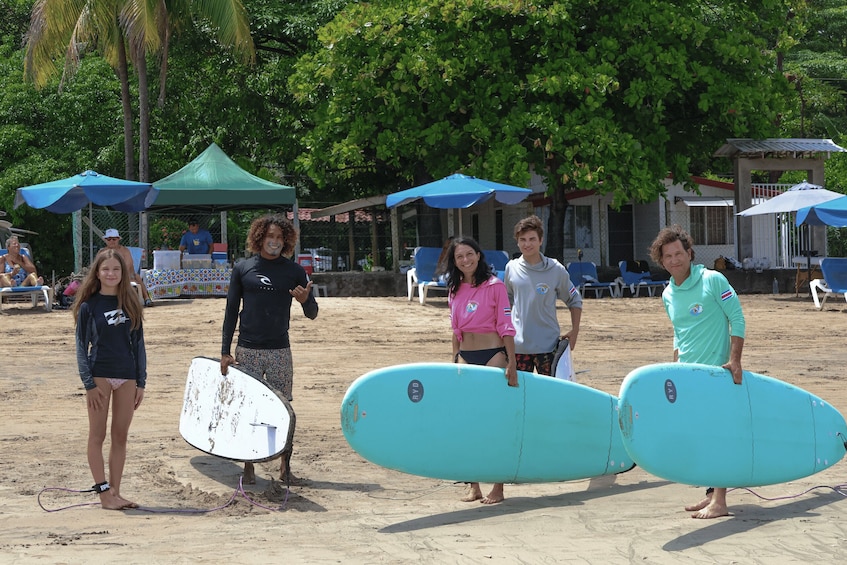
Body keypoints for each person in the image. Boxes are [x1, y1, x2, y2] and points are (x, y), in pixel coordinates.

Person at [649, 224, 745, 519]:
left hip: (716, 374)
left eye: (679, 253)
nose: (675, 259)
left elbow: (737, 319)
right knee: (699, 437)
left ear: (689, 253)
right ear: (662, 261)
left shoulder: (713, 280)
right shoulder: (667, 294)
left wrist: (735, 360)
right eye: (668, 256)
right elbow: (679, 334)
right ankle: (710, 494)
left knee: (718, 435)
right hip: (686, 375)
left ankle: (721, 501)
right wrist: (674, 369)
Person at [221, 213, 319, 484]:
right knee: (248, 407)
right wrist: (224, 351)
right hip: (247, 350)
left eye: (279, 237)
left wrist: (304, 301)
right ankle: (248, 466)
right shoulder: (243, 268)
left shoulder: (294, 272)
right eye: (270, 236)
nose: (274, 241)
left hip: (279, 350)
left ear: (286, 241)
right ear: (259, 237)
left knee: (283, 408)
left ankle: (285, 467)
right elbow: (231, 311)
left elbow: (312, 313)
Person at [72, 249, 147, 510]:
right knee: (97, 436)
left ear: (122, 273)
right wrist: (89, 385)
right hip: (99, 375)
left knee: (120, 436)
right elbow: (81, 347)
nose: (111, 274)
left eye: (116, 270)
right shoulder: (88, 306)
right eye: (106, 270)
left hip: (127, 376)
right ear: (97, 272)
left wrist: (141, 382)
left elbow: (139, 345)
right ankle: (104, 493)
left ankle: (116, 492)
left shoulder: (131, 302)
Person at [446, 236, 517, 504]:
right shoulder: (454, 288)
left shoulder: (495, 286)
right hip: (466, 356)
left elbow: (506, 325)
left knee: (494, 422)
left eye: (469, 254)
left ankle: (498, 486)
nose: (465, 260)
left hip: (493, 356)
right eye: (459, 257)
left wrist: (512, 363)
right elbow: (455, 330)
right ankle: (473, 485)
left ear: (478, 255)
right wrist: (453, 360)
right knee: (467, 422)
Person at [504, 215, 582, 376]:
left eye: (532, 239)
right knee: (519, 395)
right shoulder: (511, 268)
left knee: (550, 396)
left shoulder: (555, 269)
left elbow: (574, 299)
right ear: (517, 242)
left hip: (548, 347)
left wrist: (575, 330)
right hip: (518, 347)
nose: (527, 244)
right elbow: (506, 302)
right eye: (522, 239)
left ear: (541, 240)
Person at [99, 229, 153, 307]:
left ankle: (146, 298)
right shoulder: (102, 252)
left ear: (118, 239)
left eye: (114, 239)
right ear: (105, 240)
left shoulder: (125, 251)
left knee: (137, 277)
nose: (111, 241)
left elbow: (128, 266)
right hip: (107, 277)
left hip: (126, 276)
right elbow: (98, 267)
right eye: (109, 239)